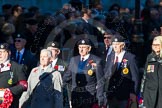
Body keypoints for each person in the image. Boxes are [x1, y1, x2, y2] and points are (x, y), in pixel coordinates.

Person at [63, 38, 105, 108]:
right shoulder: (73, 60)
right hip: (75, 96)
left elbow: (100, 81)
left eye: (84, 47)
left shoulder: (96, 61)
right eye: (80, 47)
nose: (81, 49)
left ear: (89, 48)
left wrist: (100, 98)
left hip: (89, 97)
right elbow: (67, 76)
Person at [104, 35, 139, 108]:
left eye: (117, 44)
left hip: (124, 95)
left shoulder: (130, 57)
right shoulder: (110, 56)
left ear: (122, 45)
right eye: (113, 44)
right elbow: (106, 72)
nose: (115, 47)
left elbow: (135, 77)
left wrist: (133, 92)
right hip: (111, 95)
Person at [0, 43, 27, 108]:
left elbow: (24, 85)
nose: (0, 54)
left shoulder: (17, 67)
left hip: (9, 103)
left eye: (2, 52)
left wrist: (8, 91)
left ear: (9, 53)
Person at [46, 41, 70, 108]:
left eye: (52, 50)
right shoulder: (42, 63)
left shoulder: (65, 65)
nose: (49, 52)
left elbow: (65, 81)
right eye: (48, 50)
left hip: (59, 95)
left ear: (58, 52)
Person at [140, 36, 162, 108]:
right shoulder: (149, 57)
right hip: (149, 93)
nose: (155, 46)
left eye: (157, 44)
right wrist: (142, 93)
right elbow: (145, 76)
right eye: (153, 45)